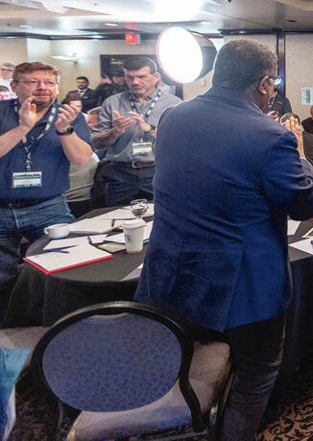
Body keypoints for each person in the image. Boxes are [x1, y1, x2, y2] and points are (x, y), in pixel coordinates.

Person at [136, 39, 313, 441]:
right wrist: (303, 156)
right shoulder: (271, 135)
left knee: (181, 366)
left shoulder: (172, 117)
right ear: (265, 84)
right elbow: (304, 205)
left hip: (172, 273)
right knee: (256, 374)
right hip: (242, 285)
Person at [0, 62, 93, 314]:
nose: (43, 88)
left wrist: (65, 131)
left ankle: (59, 324)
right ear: (15, 85)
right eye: (33, 82)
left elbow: (82, 159)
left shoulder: (68, 117)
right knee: (2, 278)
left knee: (67, 265)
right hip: (1, 209)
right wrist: (23, 127)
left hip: (48, 207)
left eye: (49, 83)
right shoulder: (2, 112)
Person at [92, 57, 180, 206]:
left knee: (162, 215)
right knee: (114, 219)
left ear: (156, 77)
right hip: (120, 173)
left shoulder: (173, 104)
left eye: (141, 77)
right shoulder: (112, 102)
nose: (135, 82)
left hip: (156, 170)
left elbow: (179, 142)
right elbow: (96, 142)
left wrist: (150, 130)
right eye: (130, 77)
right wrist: (115, 131)